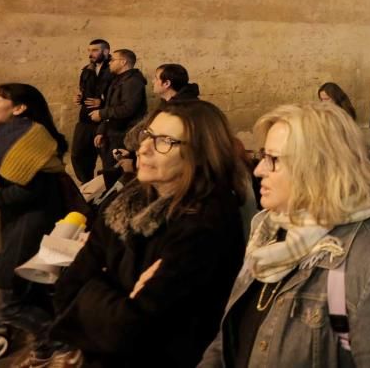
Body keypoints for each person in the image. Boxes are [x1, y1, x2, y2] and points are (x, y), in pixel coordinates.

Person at [199, 103, 370, 368]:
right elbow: (228, 341)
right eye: (262, 156)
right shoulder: (269, 230)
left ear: (316, 166)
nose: (259, 170)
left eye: (273, 159)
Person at [41, 100, 250, 367]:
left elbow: (131, 330)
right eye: (147, 134)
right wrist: (119, 299)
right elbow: (66, 291)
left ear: (199, 154)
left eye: (165, 141)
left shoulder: (205, 222)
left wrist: (94, 290)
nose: (144, 148)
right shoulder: (128, 200)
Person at [0, 84, 69, 348]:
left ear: (18, 108)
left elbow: (26, 193)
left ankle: (61, 343)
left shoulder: (32, 138)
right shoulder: (9, 135)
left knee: (7, 303)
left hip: (30, 225)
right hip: (19, 222)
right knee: (29, 290)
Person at [91, 49, 148, 186]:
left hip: (124, 135)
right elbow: (110, 105)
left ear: (123, 62)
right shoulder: (118, 80)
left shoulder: (133, 82)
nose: (109, 62)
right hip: (113, 133)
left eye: (112, 60)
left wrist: (101, 114)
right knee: (109, 173)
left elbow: (127, 109)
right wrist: (101, 130)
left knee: (117, 176)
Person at [71, 38, 114, 183]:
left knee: (107, 157)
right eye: (89, 50)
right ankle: (86, 184)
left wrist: (101, 102)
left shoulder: (114, 70)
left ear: (106, 51)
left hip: (105, 120)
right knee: (78, 155)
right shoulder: (87, 70)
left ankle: (105, 189)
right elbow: (83, 89)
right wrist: (79, 97)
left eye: (95, 50)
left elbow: (117, 95)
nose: (91, 54)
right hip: (85, 119)